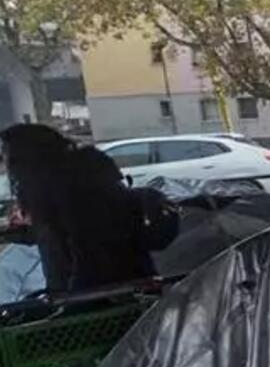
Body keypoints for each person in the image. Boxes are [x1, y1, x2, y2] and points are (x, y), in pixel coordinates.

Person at [1, 124, 165, 293]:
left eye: (5, 154)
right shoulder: (75, 183)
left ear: (24, 158)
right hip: (128, 291)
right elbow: (57, 235)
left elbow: (86, 252)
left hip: (105, 299)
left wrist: (68, 304)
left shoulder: (68, 194)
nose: (4, 163)